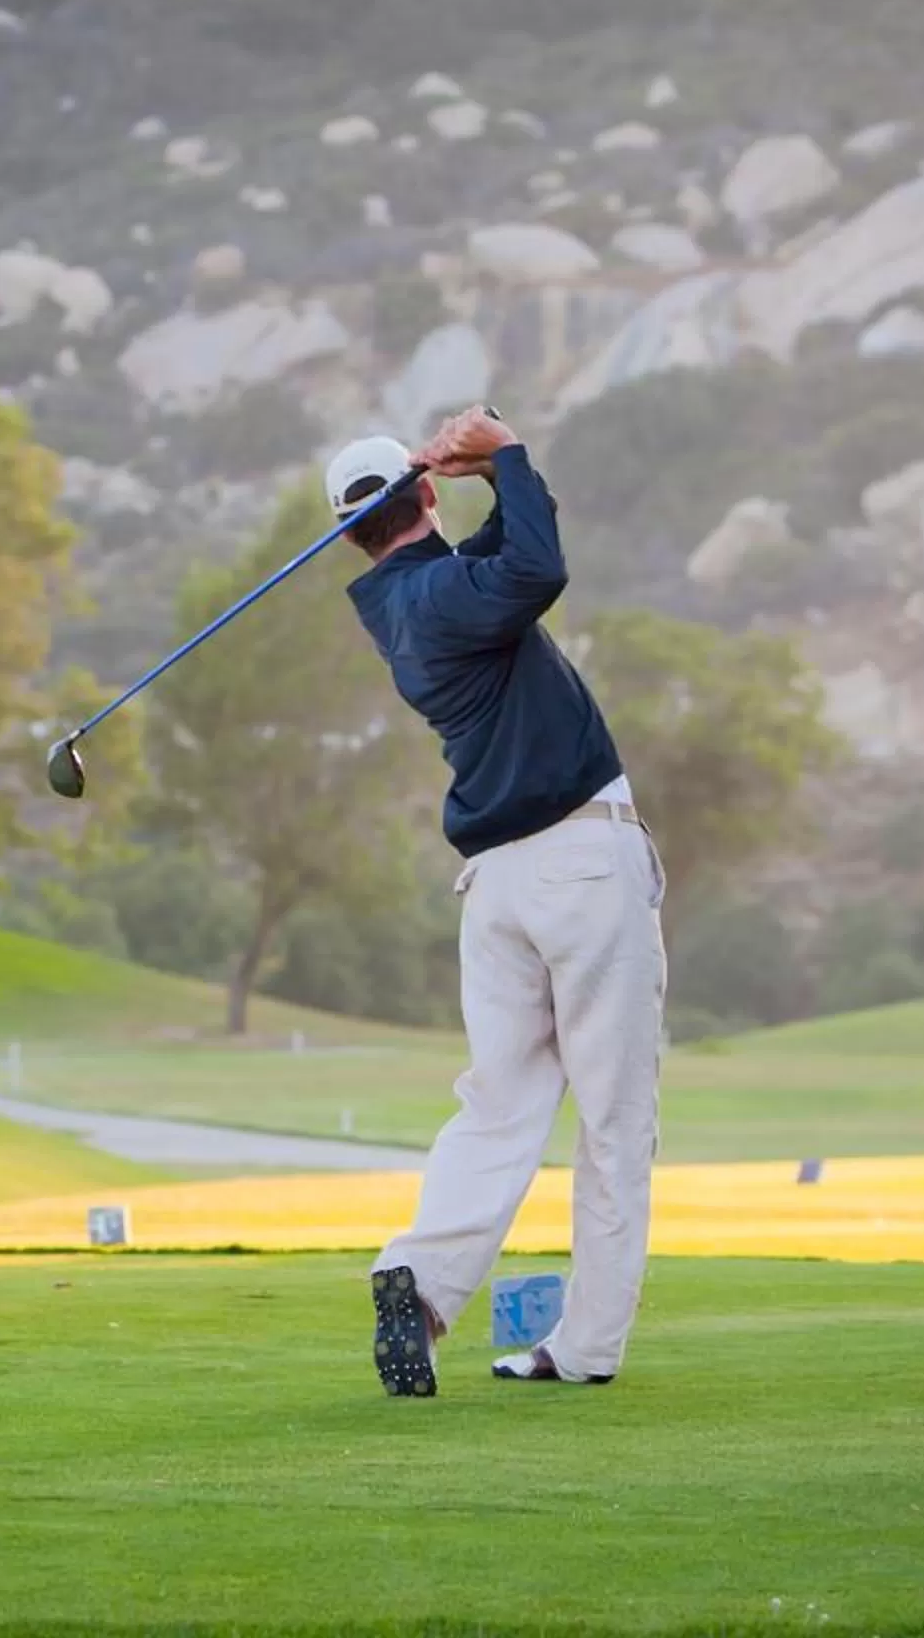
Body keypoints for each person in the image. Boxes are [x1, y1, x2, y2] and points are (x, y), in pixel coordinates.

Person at [325, 405, 667, 1396]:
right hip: (578, 865)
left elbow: (504, 554)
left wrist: (487, 472)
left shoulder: (405, 599)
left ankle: (423, 1279)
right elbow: (538, 566)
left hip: (499, 890)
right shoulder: (446, 596)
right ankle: (588, 1343)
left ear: (352, 534)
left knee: (502, 1103)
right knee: (613, 1118)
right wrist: (505, 455)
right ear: (422, 492)